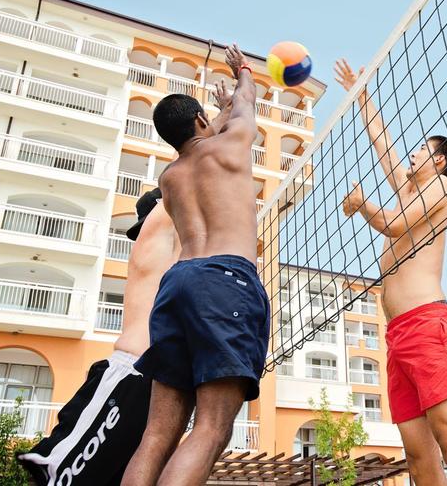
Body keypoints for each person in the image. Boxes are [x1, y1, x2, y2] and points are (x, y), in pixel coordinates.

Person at [121, 44, 269, 486]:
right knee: (210, 429)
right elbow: (248, 100)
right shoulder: (233, 145)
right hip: (225, 281)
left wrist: (214, 117)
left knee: (156, 435)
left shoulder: (170, 178)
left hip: (176, 284)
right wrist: (241, 72)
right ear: (202, 122)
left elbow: (194, 143)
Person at [335, 59, 447, 486]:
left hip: (428, 324)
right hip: (398, 333)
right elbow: (384, 146)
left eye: (422, 148)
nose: (413, 152)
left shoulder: (441, 187)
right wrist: (361, 94)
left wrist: (362, 205)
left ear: (438, 161)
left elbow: (395, 224)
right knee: (420, 459)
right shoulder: (409, 189)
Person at [17, 189, 180, 486]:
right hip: (131, 373)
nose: (140, 232)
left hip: (155, 379)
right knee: (60, 476)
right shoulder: (159, 233)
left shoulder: (175, 244)